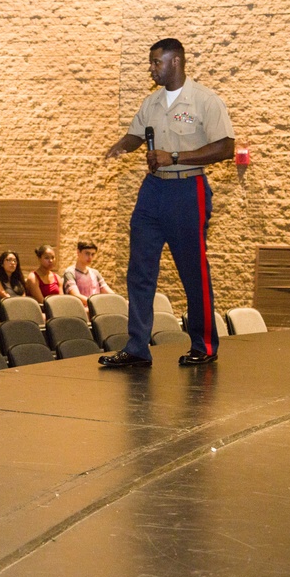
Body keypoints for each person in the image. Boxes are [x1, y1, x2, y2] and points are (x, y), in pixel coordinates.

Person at [101, 38, 235, 369]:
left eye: (156, 63)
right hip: (152, 192)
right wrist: (121, 145)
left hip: (188, 190)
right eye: (151, 63)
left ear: (175, 62)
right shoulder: (152, 102)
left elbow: (226, 148)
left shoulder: (205, 101)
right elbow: (137, 134)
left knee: (193, 271)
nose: (151, 68)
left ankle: (204, 344)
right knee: (140, 270)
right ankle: (137, 348)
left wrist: (174, 156)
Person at [62, 241, 115, 307]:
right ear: (78, 252)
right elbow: (76, 296)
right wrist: (96, 304)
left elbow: (107, 291)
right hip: (80, 310)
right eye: (87, 253)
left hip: (96, 309)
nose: (90, 257)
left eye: (92, 254)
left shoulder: (95, 273)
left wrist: (120, 300)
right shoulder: (70, 272)